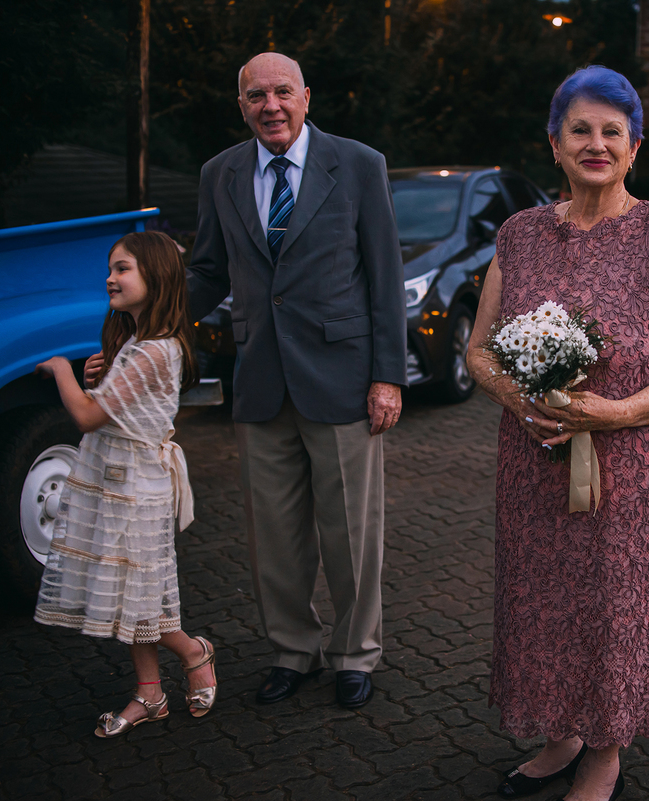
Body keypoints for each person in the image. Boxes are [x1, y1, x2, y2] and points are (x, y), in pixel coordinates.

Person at [466, 66, 649, 801]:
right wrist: (523, 401)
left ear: (635, 147)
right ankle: (560, 735)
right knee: (542, 602)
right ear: (554, 143)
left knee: (615, 609)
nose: (596, 144)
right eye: (580, 129)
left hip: (635, 471)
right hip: (535, 461)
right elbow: (479, 351)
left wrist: (609, 413)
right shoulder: (520, 235)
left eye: (613, 131)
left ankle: (605, 751)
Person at [187, 53, 406, 709]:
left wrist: (387, 377)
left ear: (306, 97)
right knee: (275, 540)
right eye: (257, 96)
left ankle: (354, 653)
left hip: (342, 379)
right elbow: (207, 271)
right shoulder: (220, 173)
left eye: (283, 92)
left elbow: (384, 275)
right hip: (260, 379)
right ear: (242, 106)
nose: (271, 106)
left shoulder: (358, 163)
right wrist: (141, 323)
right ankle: (293, 652)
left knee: (350, 535)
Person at [34, 231, 218, 738]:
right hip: (115, 481)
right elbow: (116, 409)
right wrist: (97, 376)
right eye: (110, 269)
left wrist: (62, 371)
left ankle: (194, 652)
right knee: (128, 595)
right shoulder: (135, 345)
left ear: (155, 277)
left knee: (138, 598)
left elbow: (87, 417)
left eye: (122, 269)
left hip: (137, 488)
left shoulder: (153, 351)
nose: (110, 279)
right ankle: (150, 694)